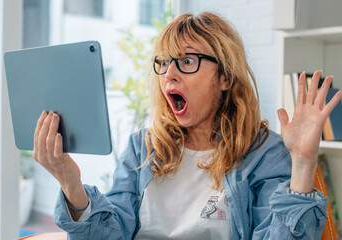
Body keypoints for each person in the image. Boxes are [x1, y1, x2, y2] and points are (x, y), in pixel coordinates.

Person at [33, 12, 342, 239]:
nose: (170, 74)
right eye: (164, 63)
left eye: (187, 61)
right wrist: (71, 184)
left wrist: (302, 164)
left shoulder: (265, 153)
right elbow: (109, 235)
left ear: (224, 77)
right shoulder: (142, 147)